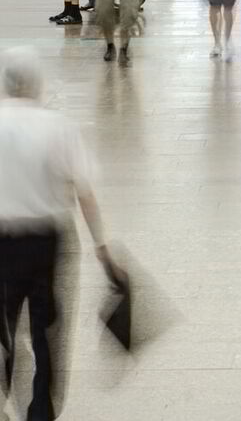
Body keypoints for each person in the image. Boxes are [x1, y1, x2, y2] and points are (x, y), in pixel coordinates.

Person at [0, 47, 116, 421]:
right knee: (46, 330)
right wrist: (102, 247)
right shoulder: (57, 126)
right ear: (36, 82)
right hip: (46, 242)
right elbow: (84, 191)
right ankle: (40, 411)